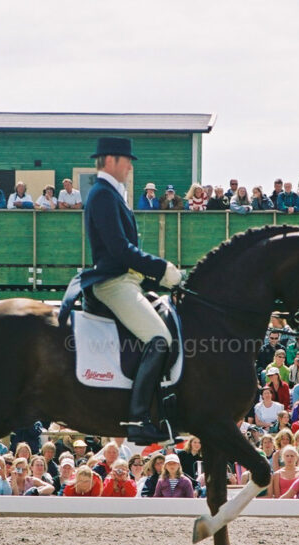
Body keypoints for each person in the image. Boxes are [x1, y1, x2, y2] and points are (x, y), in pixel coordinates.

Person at [77, 138, 182, 444]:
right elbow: (120, 250)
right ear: (110, 160)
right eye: (127, 160)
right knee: (159, 338)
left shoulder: (112, 194)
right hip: (111, 283)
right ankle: (138, 418)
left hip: (127, 279)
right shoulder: (102, 195)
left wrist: (155, 278)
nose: (130, 166)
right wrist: (161, 269)